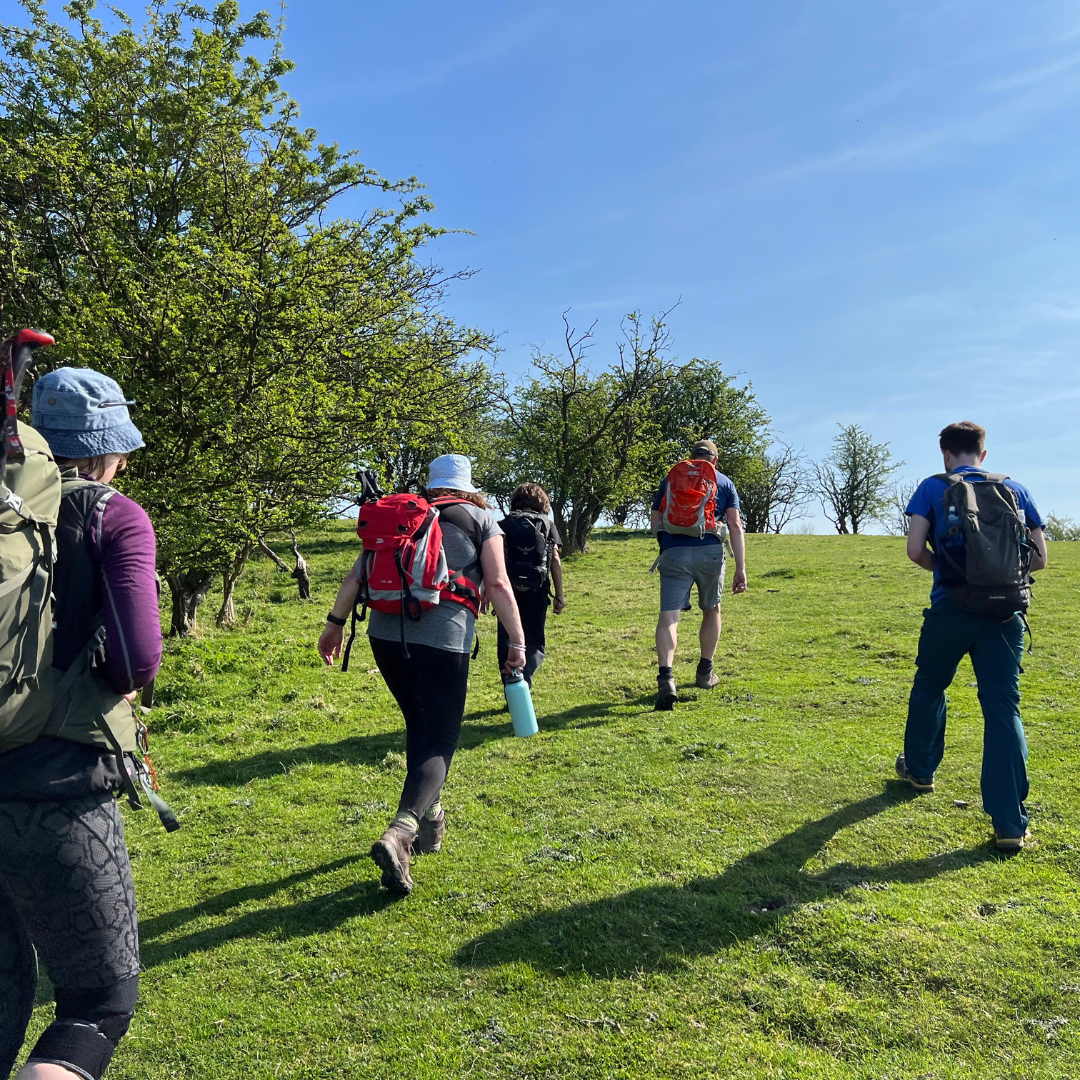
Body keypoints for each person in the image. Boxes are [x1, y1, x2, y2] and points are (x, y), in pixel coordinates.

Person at [0, 369, 161, 1080]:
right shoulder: (112, 514)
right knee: (96, 1003)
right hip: (54, 785)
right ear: (109, 447)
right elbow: (136, 658)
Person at [319, 454, 526, 896]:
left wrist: (334, 625)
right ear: (468, 484)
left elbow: (356, 575)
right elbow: (499, 584)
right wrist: (518, 643)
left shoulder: (402, 513)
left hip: (384, 637)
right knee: (439, 738)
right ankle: (402, 832)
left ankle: (432, 820)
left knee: (420, 724)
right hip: (443, 638)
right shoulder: (481, 518)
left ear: (431, 484)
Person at [897, 421, 1047, 851]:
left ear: (945, 452)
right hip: (1005, 614)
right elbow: (1039, 559)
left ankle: (921, 770)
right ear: (983, 453)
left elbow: (913, 551)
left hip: (950, 608)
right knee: (1003, 706)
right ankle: (1010, 824)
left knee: (930, 686)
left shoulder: (931, 487)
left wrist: (948, 572)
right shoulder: (1015, 489)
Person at [650, 439, 747, 710]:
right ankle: (705, 673)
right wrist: (741, 567)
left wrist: (666, 545)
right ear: (714, 460)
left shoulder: (673, 476)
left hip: (672, 551)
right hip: (710, 551)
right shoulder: (724, 482)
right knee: (712, 609)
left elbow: (655, 516)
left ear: (691, 457)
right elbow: (735, 525)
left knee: (669, 616)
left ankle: (666, 678)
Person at [495, 482, 566, 688]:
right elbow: (555, 560)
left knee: (507, 639)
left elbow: (496, 558)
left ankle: (511, 686)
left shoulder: (504, 524)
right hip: (538, 588)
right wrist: (559, 594)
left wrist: (487, 590)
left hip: (507, 590)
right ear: (542, 502)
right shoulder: (547, 524)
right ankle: (524, 677)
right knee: (534, 641)